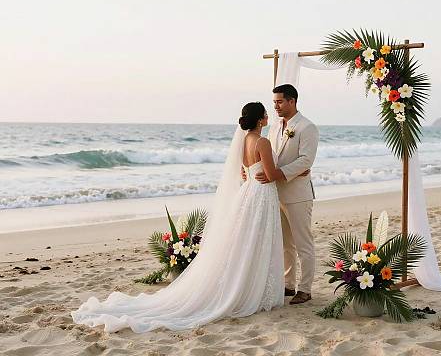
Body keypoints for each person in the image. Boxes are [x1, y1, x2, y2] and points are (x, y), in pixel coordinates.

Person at [71, 102, 284, 333]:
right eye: (265, 113)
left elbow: (247, 169)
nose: (267, 116)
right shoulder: (262, 141)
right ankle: (254, 289)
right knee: (259, 240)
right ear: (260, 118)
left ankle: (248, 285)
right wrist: (297, 170)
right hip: (261, 193)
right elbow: (271, 174)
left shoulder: (243, 141)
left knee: (246, 241)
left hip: (248, 192)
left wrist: (254, 173)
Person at [246, 84, 319, 305]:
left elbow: (306, 160)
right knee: (286, 243)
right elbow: (271, 155)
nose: (275, 106)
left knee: (303, 243)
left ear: (292, 101)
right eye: (274, 102)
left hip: (297, 193)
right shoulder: (275, 126)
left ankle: (305, 289)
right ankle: (288, 284)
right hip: (275, 193)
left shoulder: (307, 127)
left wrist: (277, 174)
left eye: (279, 102)